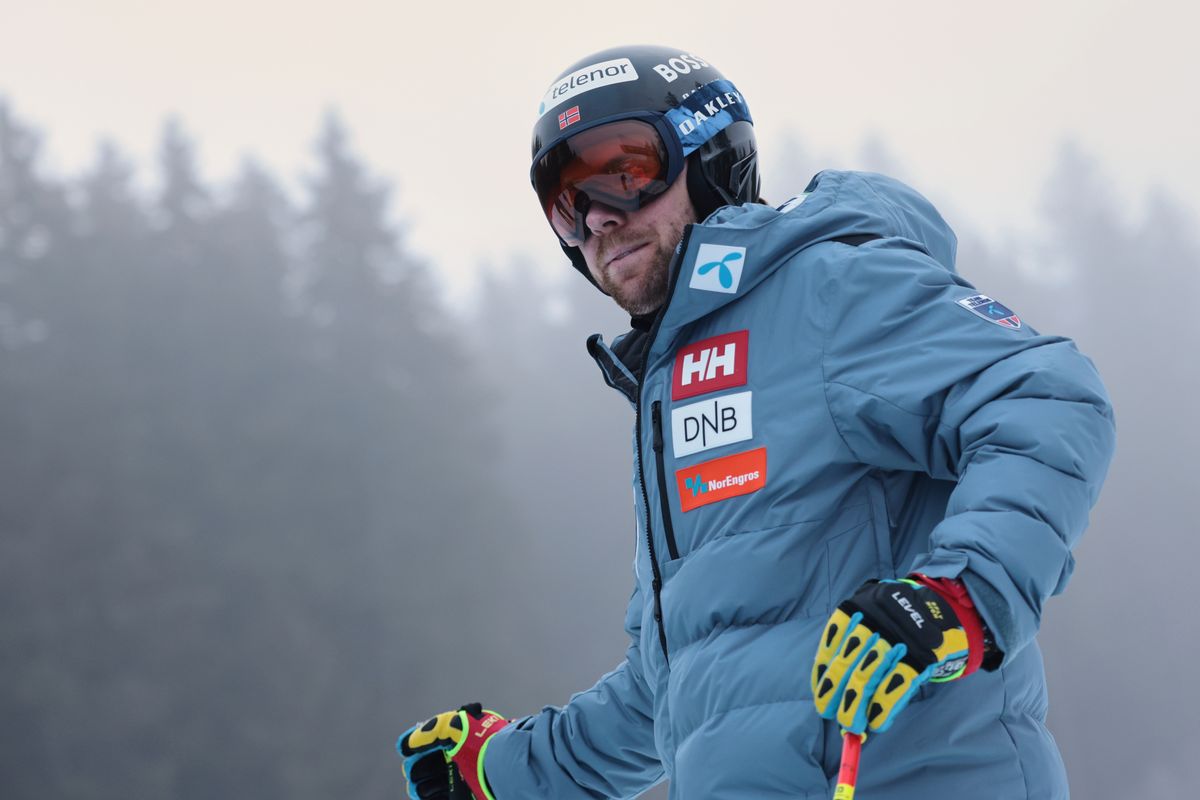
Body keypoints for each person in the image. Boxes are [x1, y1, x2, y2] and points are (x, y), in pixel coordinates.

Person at [397, 45, 1116, 799]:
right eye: (565, 201)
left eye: (624, 170)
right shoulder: (670, 391)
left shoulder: (823, 287)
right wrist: (503, 770)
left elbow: (1047, 396)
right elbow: (683, 684)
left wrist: (959, 595)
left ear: (711, 157)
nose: (599, 217)